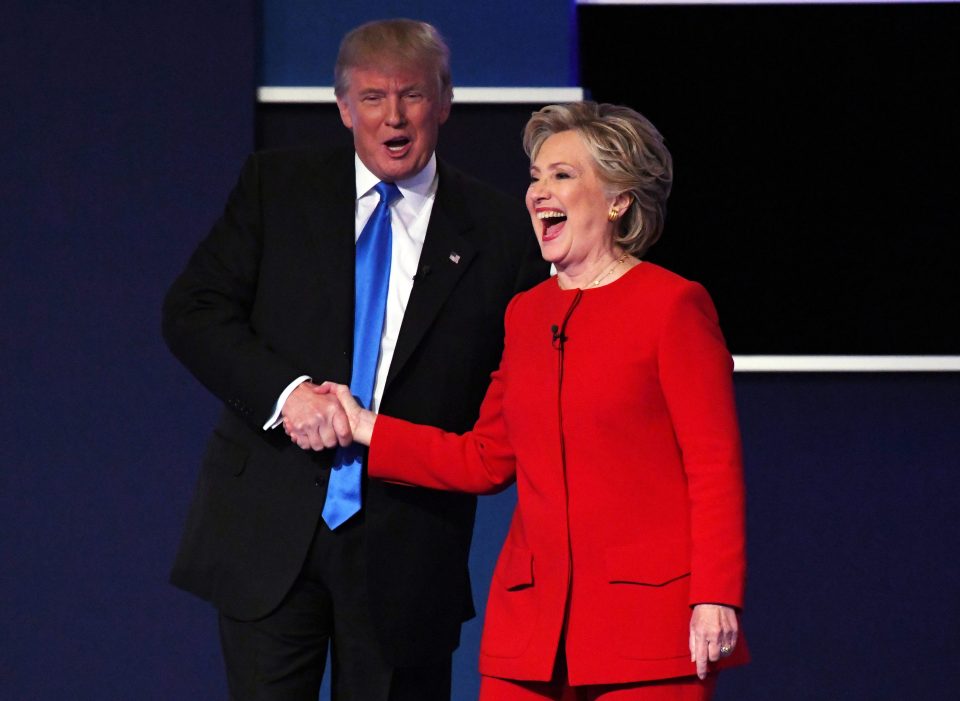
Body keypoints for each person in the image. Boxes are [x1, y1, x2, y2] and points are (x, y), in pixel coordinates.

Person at [162, 18, 547, 701]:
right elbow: (192, 312)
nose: (392, 117)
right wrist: (288, 396)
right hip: (269, 529)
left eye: (411, 95)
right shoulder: (276, 187)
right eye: (372, 97)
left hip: (408, 545)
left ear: (445, 101)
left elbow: (520, 382)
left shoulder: (499, 231)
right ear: (343, 107)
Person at [321, 101, 748, 701]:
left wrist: (715, 595)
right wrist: (365, 427)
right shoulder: (526, 314)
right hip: (532, 629)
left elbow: (714, 466)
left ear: (619, 199)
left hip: (646, 627)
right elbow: (485, 457)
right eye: (535, 177)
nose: (538, 192)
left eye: (562, 176)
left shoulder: (672, 306)